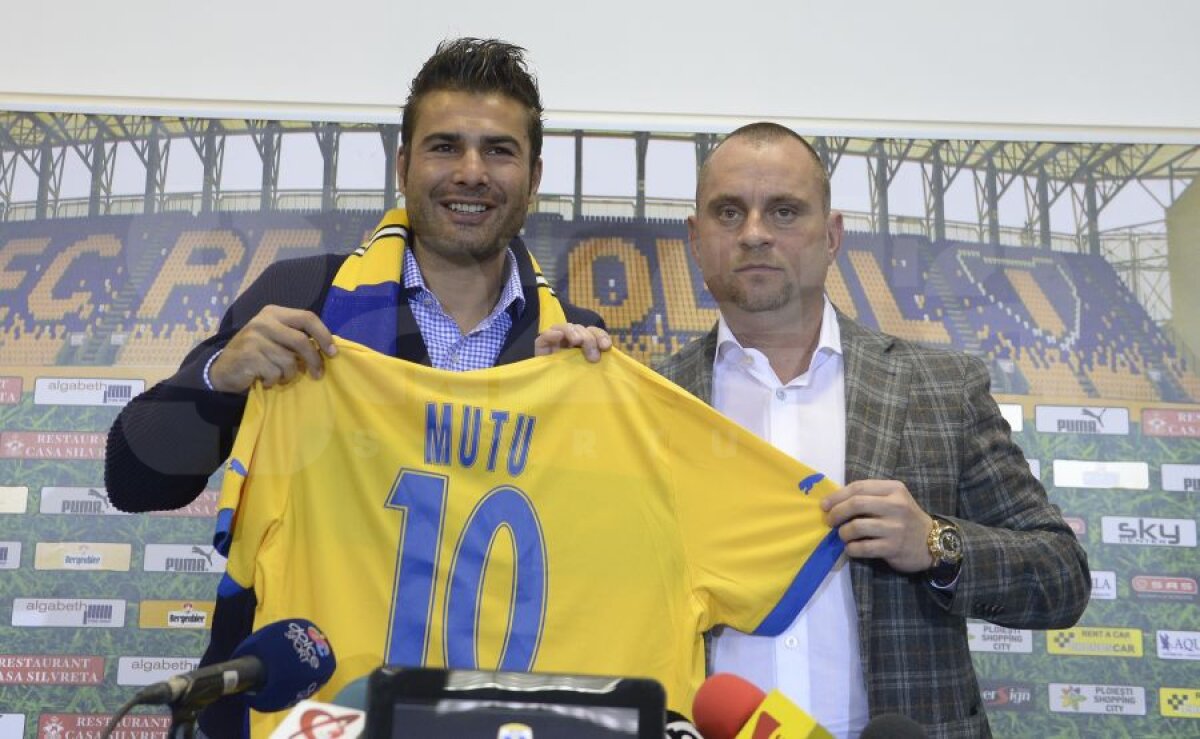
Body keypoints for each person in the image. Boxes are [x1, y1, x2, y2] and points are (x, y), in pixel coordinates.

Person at [655, 122, 1090, 738]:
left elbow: (1062, 577)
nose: (754, 233)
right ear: (696, 239)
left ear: (832, 235)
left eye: (784, 211)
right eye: (729, 212)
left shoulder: (942, 387)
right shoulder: (648, 403)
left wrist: (935, 543)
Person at [105, 37, 608, 512]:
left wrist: (577, 415)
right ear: (403, 167)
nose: (471, 172)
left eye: (499, 150)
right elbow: (133, 481)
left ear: (533, 178)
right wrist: (218, 379)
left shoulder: (575, 342)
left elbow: (596, 526)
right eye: (444, 147)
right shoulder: (301, 294)